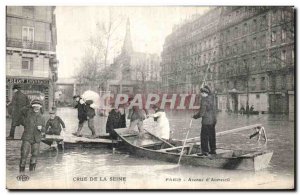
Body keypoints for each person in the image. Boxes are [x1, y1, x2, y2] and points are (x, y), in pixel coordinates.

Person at [19, 99, 45, 172]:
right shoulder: (28, 114)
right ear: (32, 107)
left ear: (40, 107)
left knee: (35, 155)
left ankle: (32, 173)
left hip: (36, 138)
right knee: (24, 154)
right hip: (27, 137)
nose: (36, 107)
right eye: (35, 106)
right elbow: (21, 110)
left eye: (38, 106)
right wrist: (30, 104)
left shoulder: (42, 117)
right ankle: (21, 173)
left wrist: (42, 128)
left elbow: (44, 129)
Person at [192, 85, 217, 156]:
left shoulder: (204, 100)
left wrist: (195, 116)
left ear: (204, 93)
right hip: (213, 121)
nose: (201, 95)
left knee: (204, 137)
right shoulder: (212, 98)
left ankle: (205, 151)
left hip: (206, 122)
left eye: (201, 93)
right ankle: (213, 150)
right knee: (212, 136)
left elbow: (201, 113)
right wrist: (205, 86)